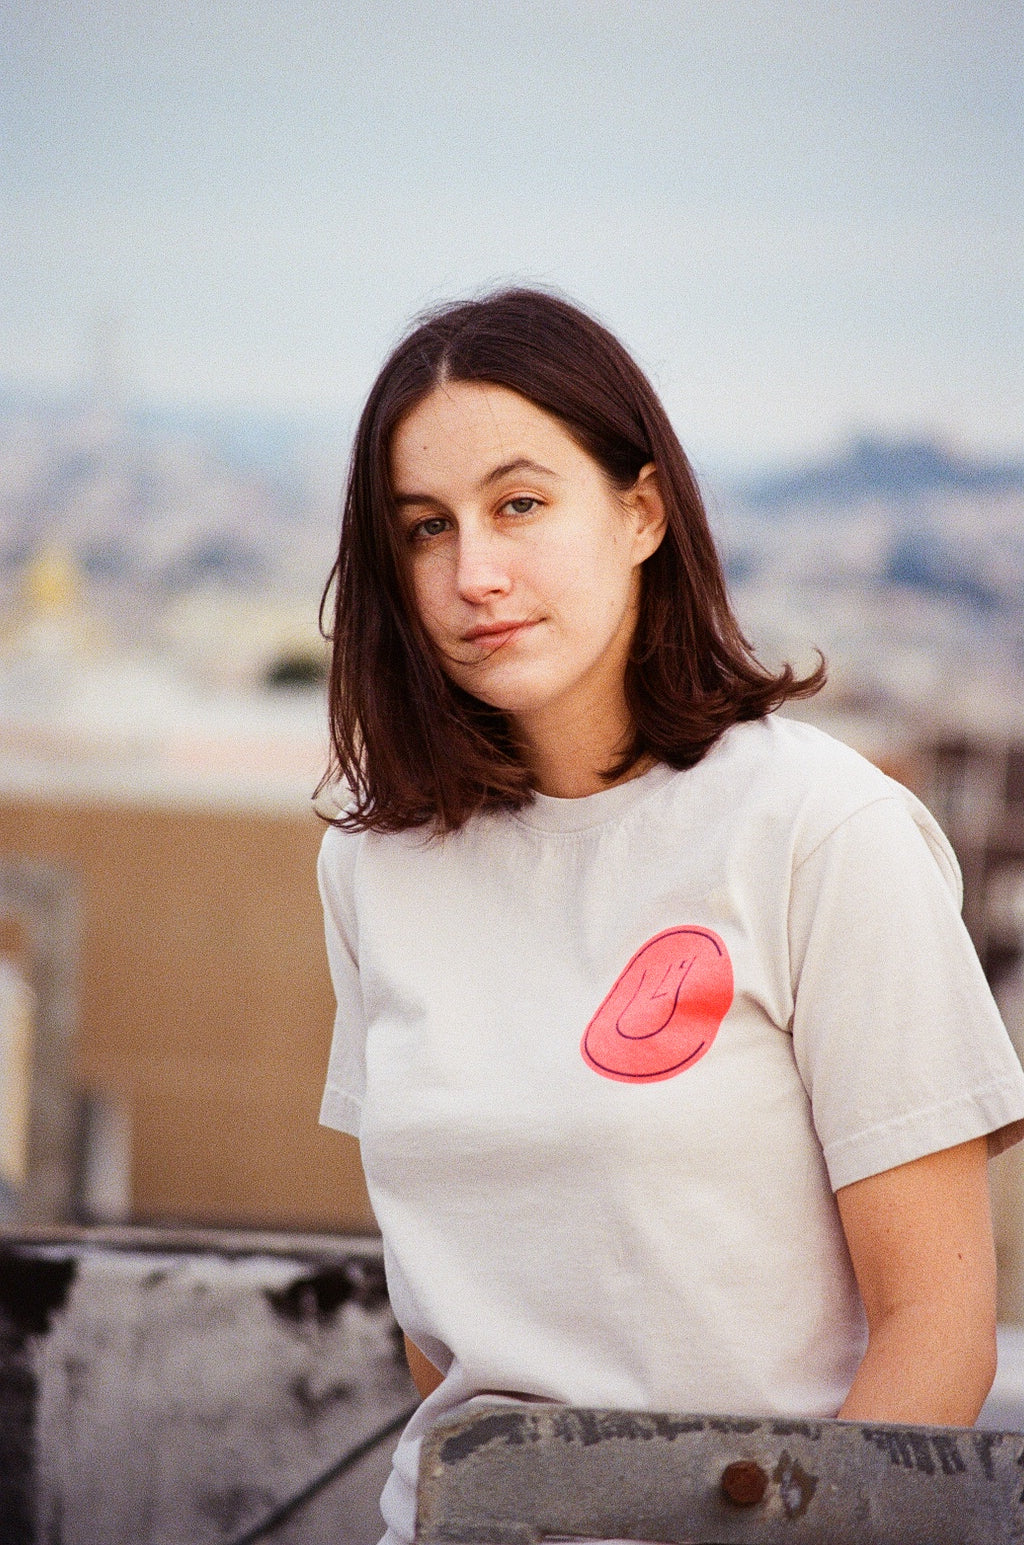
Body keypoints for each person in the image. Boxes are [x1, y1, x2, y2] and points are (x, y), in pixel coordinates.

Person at [315, 287, 1024, 1545]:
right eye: (426, 528)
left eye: (520, 504)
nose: (475, 572)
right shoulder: (376, 865)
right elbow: (443, 1322)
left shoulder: (817, 828)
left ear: (640, 512)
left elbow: (938, 1335)